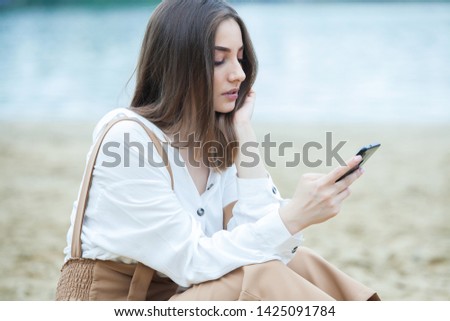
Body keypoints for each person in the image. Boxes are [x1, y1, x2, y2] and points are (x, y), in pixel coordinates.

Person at [58, 0, 379, 300]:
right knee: (262, 274)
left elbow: (268, 247)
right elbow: (191, 261)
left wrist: (244, 132)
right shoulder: (127, 140)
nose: (238, 73)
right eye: (218, 59)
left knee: (298, 262)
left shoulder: (213, 144)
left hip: (183, 296)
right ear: (177, 66)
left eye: (240, 57)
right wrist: (293, 216)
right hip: (120, 303)